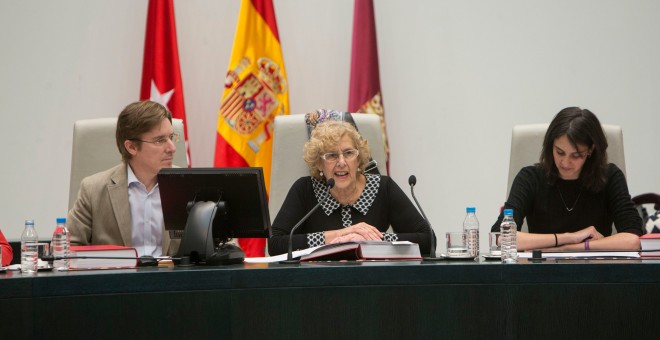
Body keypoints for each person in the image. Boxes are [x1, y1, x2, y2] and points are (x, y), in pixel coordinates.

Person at [268, 120, 433, 255]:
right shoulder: (304, 190)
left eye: (348, 153)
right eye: (332, 155)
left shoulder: (383, 188)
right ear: (319, 163)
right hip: (318, 285)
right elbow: (276, 244)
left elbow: (428, 239)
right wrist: (340, 235)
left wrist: (373, 240)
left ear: (358, 158)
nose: (341, 162)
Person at [491, 107, 642, 251]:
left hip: (596, 272)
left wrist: (571, 248)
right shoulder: (530, 178)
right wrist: (568, 238)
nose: (565, 162)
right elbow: (500, 237)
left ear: (590, 150)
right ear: (551, 146)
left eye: (575, 155)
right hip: (541, 272)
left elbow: (633, 239)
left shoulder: (610, 177)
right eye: (560, 152)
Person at [68, 101, 180, 257]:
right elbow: (68, 248)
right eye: (159, 141)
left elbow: (209, 248)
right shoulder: (93, 190)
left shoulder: (187, 185)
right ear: (131, 147)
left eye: (171, 137)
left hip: (172, 280)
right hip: (116, 279)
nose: (172, 148)